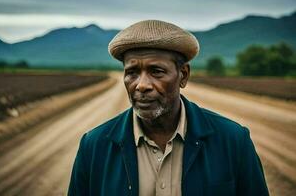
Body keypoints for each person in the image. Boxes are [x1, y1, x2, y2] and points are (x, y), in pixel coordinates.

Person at [68, 20, 269, 196]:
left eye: (156, 71)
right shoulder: (94, 146)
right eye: (132, 72)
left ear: (183, 75)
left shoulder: (232, 140)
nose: (141, 85)